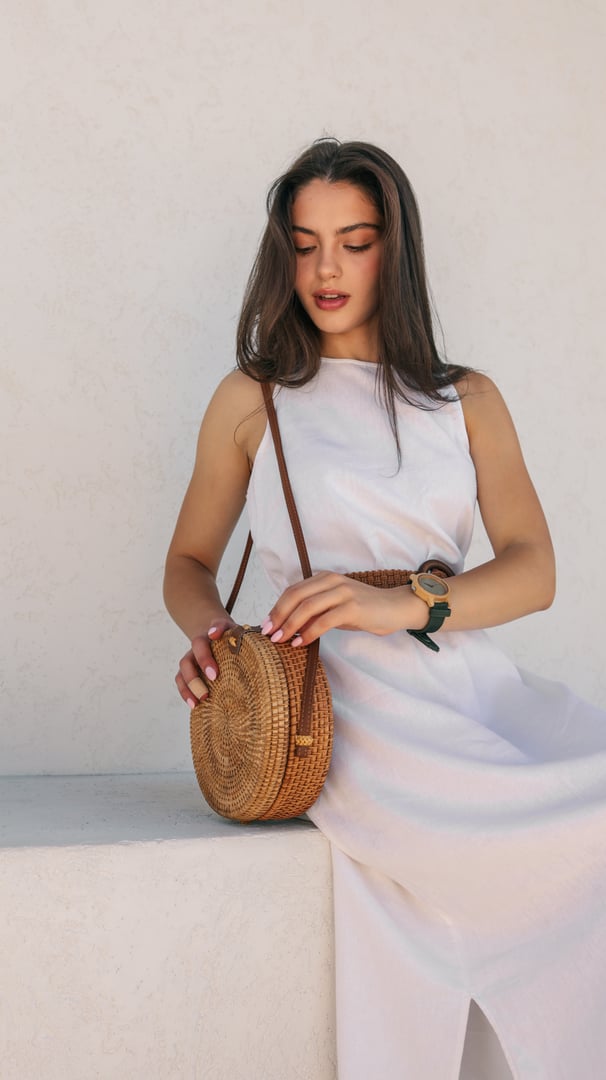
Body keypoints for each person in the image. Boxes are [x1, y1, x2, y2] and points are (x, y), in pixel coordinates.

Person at [164, 138, 606, 1079]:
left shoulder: (465, 399)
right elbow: (189, 560)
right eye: (304, 241)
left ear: (393, 251)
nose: (326, 269)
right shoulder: (255, 398)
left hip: (461, 680)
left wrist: (407, 606)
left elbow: (534, 571)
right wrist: (215, 641)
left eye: (354, 241)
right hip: (337, 708)